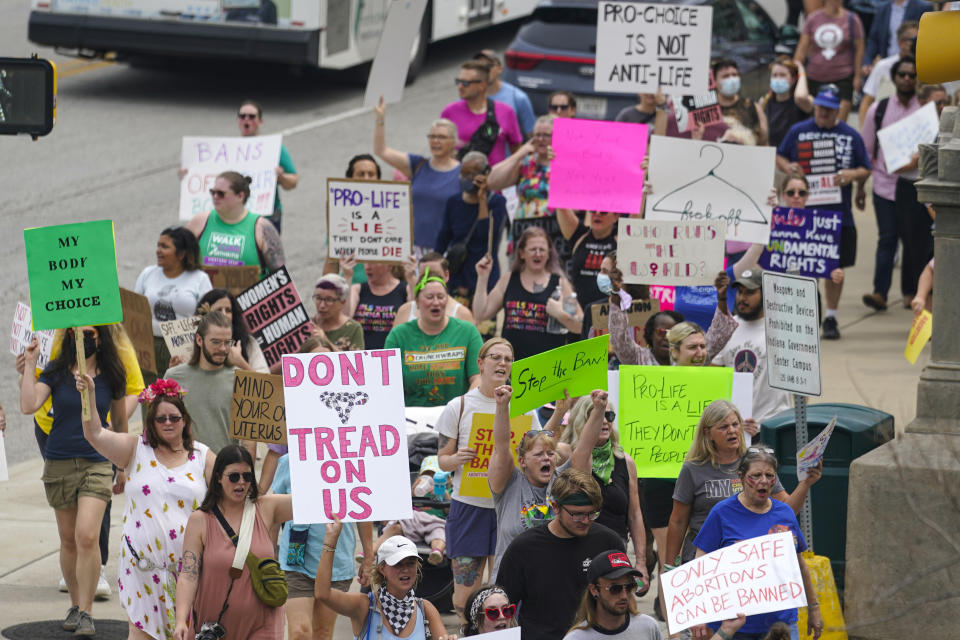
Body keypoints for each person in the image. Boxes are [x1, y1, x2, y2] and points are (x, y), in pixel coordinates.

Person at [78, 376, 214, 640]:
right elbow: (94, 433)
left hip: (189, 573)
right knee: (141, 635)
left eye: (174, 417)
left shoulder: (201, 455)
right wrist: (90, 394)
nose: (167, 423)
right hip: (141, 570)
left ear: (184, 420)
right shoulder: (135, 449)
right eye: (160, 418)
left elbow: (234, 484)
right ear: (151, 422)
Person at [19, 326, 131, 636]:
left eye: (90, 333)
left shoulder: (112, 373)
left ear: (101, 336)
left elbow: (120, 423)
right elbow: (28, 405)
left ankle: (87, 611)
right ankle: (74, 604)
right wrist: (29, 365)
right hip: (59, 461)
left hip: (97, 462)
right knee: (68, 540)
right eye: (76, 334)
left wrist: (122, 467)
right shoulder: (55, 372)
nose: (83, 339)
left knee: (86, 536)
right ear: (68, 337)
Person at [435, 338, 537, 619]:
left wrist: (562, 412)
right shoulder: (459, 406)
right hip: (468, 506)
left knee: (502, 594)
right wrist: (456, 459)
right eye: (496, 357)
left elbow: (540, 446)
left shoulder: (524, 407)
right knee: (463, 597)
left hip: (508, 508)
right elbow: (442, 459)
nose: (503, 363)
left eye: (508, 359)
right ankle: (469, 631)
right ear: (480, 364)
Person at [664, 400, 822, 568]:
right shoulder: (693, 469)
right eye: (723, 427)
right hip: (705, 559)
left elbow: (787, 510)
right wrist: (669, 566)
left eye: (735, 424)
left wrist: (805, 484)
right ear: (708, 433)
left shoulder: (755, 463)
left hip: (750, 560)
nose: (732, 430)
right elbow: (678, 521)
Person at [690, 449, 823, 640]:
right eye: (756, 475)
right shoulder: (722, 513)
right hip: (735, 626)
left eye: (769, 475)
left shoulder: (785, 513)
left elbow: (800, 565)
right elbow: (700, 566)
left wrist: (814, 608)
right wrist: (698, 614)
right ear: (741, 477)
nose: (763, 481)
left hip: (781, 625)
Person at [777, 84, 872, 339]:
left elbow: (866, 167)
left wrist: (852, 174)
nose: (823, 112)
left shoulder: (850, 135)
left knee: (834, 269)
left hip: (838, 214)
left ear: (838, 109)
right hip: (803, 213)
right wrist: (789, 168)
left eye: (829, 109)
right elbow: (781, 156)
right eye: (819, 107)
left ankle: (831, 317)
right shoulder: (799, 131)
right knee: (805, 267)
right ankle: (808, 316)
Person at [173, 445, 293, 640]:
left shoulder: (267, 508)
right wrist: (180, 620)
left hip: (264, 623)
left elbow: (313, 501)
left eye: (247, 476)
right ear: (219, 477)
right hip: (214, 626)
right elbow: (188, 575)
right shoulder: (200, 520)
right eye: (234, 476)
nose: (241, 482)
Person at [488, 387, 607, 580]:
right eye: (538, 455)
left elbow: (584, 450)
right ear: (523, 461)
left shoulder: (565, 482)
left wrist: (598, 410)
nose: (547, 459)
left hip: (555, 582)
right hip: (511, 582)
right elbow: (501, 447)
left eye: (550, 454)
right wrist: (502, 406)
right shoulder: (509, 484)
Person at [497, 466, 626, 640]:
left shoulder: (609, 542)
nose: (586, 521)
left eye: (592, 513)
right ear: (555, 507)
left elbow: (624, 596)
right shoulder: (524, 548)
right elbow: (502, 607)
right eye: (577, 515)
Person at [270, 452, 373, 640]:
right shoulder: (289, 461)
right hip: (295, 561)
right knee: (300, 632)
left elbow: (364, 512)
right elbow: (273, 513)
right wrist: (268, 558)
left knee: (323, 634)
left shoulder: (349, 460)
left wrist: (368, 559)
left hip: (336, 561)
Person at [560, 397, 649, 589]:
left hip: (616, 555)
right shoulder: (570, 456)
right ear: (581, 420)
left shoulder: (625, 461)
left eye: (608, 415)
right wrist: (560, 410)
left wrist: (641, 561)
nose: (605, 420)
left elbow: (634, 515)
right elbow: (546, 445)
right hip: (579, 553)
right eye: (597, 414)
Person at [861, 55, 923, 312]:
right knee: (887, 238)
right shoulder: (879, 109)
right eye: (902, 75)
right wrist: (859, 188)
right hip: (884, 186)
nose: (907, 79)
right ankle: (880, 293)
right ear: (894, 78)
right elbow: (866, 149)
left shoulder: (926, 109)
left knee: (912, 241)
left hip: (914, 186)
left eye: (912, 75)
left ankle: (910, 292)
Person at [314, 527, 455, 640]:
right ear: (382, 569)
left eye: (411, 563)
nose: (405, 569)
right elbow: (323, 594)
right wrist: (330, 542)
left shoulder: (426, 609)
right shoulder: (364, 606)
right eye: (397, 564)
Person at [473, 227, 583, 361]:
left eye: (542, 250)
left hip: (549, 368)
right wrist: (482, 277)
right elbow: (481, 313)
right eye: (532, 249)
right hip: (512, 367)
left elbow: (580, 326)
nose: (538, 254)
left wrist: (561, 314)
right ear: (521, 253)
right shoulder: (508, 279)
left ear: (549, 254)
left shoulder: (560, 283)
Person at [374, 98, 461, 255]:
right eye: (432, 136)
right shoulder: (418, 165)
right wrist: (380, 118)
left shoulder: (462, 173)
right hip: (414, 249)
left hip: (445, 250)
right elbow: (381, 151)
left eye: (441, 137)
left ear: (454, 142)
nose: (435, 141)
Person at [486, 114, 573, 268]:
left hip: (556, 235)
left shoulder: (567, 164)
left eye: (546, 135)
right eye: (537, 135)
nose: (541, 139)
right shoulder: (526, 164)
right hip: (524, 233)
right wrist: (520, 153)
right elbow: (491, 181)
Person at [384, 272, 483, 407]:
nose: (436, 302)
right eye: (429, 297)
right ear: (417, 302)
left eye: (441, 297)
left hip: (455, 415)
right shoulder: (398, 335)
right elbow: (387, 383)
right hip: (412, 417)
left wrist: (463, 407)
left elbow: (478, 377)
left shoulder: (467, 331)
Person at [711, 269, 793, 423]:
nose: (742, 298)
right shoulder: (728, 328)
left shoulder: (783, 329)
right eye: (740, 292)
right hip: (736, 429)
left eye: (749, 293)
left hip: (773, 425)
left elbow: (801, 383)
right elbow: (713, 375)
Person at [135, 226, 212, 377]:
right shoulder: (147, 274)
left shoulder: (200, 279)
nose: (158, 250)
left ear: (182, 254)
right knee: (148, 395)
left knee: (178, 394)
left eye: (164, 247)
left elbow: (208, 317)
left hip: (183, 349)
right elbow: (134, 310)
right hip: (148, 348)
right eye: (158, 245)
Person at [166, 311, 245, 455]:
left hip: (224, 468)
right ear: (199, 340)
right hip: (184, 468)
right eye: (215, 342)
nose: (222, 348)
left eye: (227, 342)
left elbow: (248, 439)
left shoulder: (240, 379)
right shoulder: (174, 377)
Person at [435, 151, 507, 302]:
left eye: (470, 174)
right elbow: (443, 238)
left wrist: (482, 199)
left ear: (485, 174)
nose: (465, 179)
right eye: (463, 174)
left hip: (484, 278)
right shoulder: (453, 202)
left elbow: (485, 236)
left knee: (484, 325)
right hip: (457, 275)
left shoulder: (497, 202)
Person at [185, 171, 285, 279]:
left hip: (250, 295)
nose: (215, 196)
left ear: (240, 196)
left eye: (221, 193)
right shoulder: (199, 222)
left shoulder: (261, 227)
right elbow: (179, 261)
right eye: (212, 192)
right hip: (207, 295)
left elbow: (279, 276)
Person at [794, 0, 865, 122]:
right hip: (815, 77)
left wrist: (857, 76)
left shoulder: (852, 19)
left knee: (838, 123)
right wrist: (795, 73)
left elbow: (860, 49)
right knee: (817, 122)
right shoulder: (813, 19)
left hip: (842, 77)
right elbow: (801, 51)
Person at [564, 550, 661, 640]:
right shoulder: (576, 638)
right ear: (594, 590)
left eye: (629, 587)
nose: (624, 596)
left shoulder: (648, 627)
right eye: (615, 589)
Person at [442, 59, 523, 166]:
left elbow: (516, 148)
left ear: (482, 85)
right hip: (461, 178)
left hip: (496, 180)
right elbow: (441, 150)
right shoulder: (449, 112)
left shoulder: (506, 112)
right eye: (458, 81)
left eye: (465, 83)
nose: (460, 86)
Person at [236, 100, 298, 233]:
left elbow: (293, 181)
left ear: (260, 121)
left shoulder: (274, 148)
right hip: (237, 218)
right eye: (242, 116)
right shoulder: (229, 151)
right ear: (238, 120)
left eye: (252, 117)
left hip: (267, 218)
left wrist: (281, 177)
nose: (247, 120)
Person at [323, 154, 384, 282]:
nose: (366, 178)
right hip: (350, 288)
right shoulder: (341, 214)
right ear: (350, 179)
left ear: (378, 179)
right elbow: (332, 261)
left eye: (371, 174)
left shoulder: (394, 212)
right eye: (361, 174)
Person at [194, 289, 269, 373]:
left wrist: (241, 363)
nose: (224, 315)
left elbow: (266, 383)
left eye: (228, 310)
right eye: (218, 310)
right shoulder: (196, 341)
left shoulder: (248, 343)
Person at [858, 21, 919, 125]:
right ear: (900, 42)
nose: (917, 44)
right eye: (913, 40)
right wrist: (864, 130)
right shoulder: (883, 66)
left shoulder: (927, 68)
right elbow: (867, 101)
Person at [393, 253, 475, 325]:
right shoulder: (405, 310)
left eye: (435, 275)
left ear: (446, 275)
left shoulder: (462, 314)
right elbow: (395, 341)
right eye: (423, 276)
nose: (430, 280)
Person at [558, 209, 619, 305]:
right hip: (579, 312)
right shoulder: (579, 236)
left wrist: (644, 196)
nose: (597, 214)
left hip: (608, 312)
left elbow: (637, 216)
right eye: (593, 210)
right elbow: (561, 207)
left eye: (604, 212)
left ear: (616, 217)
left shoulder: (620, 240)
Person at [345, 259, 408, 350]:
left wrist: (411, 277)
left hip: (392, 355)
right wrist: (348, 277)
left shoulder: (405, 290)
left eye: (373, 263)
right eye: (366, 262)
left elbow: (416, 316)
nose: (367, 267)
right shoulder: (357, 289)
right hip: (363, 356)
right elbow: (346, 318)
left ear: (389, 265)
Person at [474, 50, 536, 136]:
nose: (484, 70)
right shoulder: (469, 97)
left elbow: (531, 133)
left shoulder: (518, 97)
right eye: (480, 67)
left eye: (489, 65)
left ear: (500, 69)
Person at [862, 0, 931, 75]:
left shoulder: (923, 7)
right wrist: (867, 62)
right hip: (888, 63)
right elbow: (873, 39)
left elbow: (929, 38)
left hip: (914, 66)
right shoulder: (883, 8)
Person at [760, 57, 813, 149]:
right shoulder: (765, 101)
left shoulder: (801, 101)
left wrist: (801, 71)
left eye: (782, 75)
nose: (778, 79)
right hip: (773, 156)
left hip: (796, 156)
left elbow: (801, 96)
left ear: (793, 79)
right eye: (774, 75)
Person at [712, 59, 768, 145]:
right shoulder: (708, 108)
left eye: (734, 75)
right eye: (725, 76)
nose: (731, 80)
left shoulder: (752, 106)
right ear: (714, 81)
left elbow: (764, 141)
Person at [311, 274, 365, 352]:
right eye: (318, 298)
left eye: (329, 300)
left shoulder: (353, 328)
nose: (322, 305)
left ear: (342, 302)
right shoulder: (309, 325)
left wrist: (326, 342)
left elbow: (355, 362)